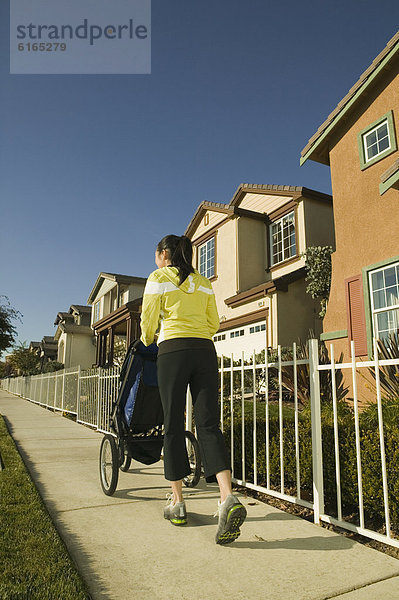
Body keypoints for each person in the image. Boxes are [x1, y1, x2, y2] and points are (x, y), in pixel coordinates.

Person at [140, 234, 246, 544]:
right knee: (208, 424)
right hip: (204, 351)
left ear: (164, 253)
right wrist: (197, 331)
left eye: (157, 253)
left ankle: (178, 503)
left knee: (172, 424)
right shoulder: (203, 282)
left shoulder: (158, 277)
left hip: (173, 350)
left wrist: (149, 339)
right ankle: (227, 497)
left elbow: (148, 319)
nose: (156, 259)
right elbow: (213, 322)